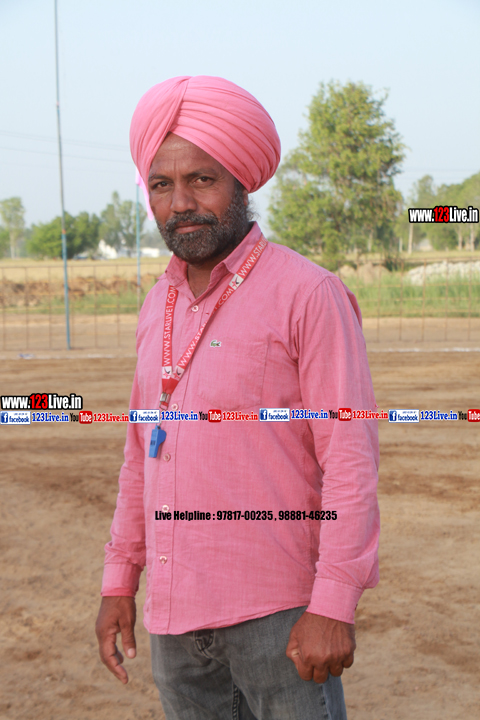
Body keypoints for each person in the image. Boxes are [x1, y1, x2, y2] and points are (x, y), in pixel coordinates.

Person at [95, 76, 380, 720]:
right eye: (162, 185)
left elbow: (350, 457)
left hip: (278, 616)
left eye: (202, 179)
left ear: (241, 182)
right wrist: (120, 580)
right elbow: (140, 454)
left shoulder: (308, 294)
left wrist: (334, 603)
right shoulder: (157, 306)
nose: (181, 203)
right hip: (174, 620)